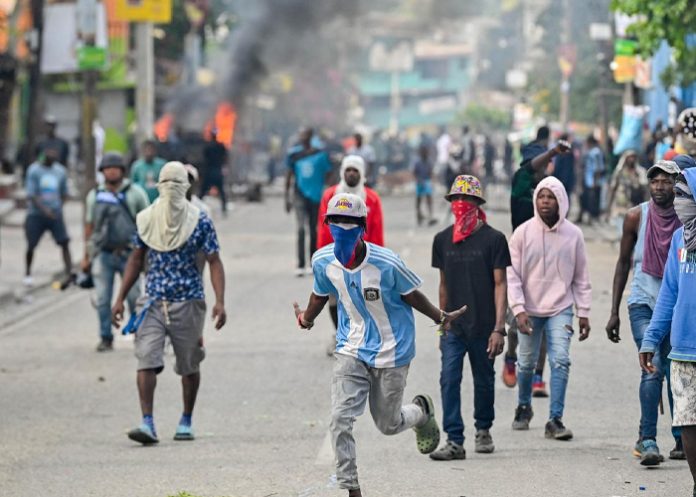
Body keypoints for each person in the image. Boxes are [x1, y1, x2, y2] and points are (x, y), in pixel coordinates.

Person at [293, 192, 467, 497]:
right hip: (351, 348)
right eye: (335, 221)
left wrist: (440, 316)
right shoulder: (322, 261)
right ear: (327, 223)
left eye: (349, 222)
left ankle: (420, 412)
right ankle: (352, 489)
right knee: (339, 418)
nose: (342, 228)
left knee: (387, 424)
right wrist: (306, 318)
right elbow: (320, 294)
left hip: (392, 350)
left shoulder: (386, 263)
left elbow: (411, 295)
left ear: (362, 226)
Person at [111, 161, 227, 444]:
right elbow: (136, 260)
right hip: (151, 301)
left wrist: (219, 301)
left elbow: (214, 261)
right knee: (146, 358)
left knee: (188, 364)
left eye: (178, 185)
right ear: (159, 187)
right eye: (167, 185)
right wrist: (119, 299)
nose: (172, 190)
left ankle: (186, 419)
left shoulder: (200, 221)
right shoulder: (147, 219)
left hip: (188, 301)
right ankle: (147, 422)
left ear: (185, 188)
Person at [605, 160, 683, 465]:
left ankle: (681, 437)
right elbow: (623, 262)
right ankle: (647, 439)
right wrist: (613, 311)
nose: (660, 187)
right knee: (653, 366)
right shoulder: (636, 217)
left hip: (677, 306)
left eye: (666, 182)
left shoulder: (687, 219)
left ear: (678, 185)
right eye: (655, 182)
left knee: (677, 371)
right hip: (644, 302)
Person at [429, 175, 509, 460]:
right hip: (453, 328)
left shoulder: (495, 240)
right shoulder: (442, 241)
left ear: (477, 203)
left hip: (485, 326)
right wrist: (441, 326)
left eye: (467, 200)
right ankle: (454, 440)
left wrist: (499, 328)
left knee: (484, 381)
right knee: (449, 379)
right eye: (457, 200)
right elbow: (443, 285)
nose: (461, 205)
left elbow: (501, 285)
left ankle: (483, 429)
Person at [508, 176, 592, 440]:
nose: (545, 202)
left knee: (561, 361)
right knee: (525, 363)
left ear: (561, 201)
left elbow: (581, 276)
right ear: (536, 201)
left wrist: (585, 312)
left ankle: (555, 419)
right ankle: (524, 406)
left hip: (561, 308)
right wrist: (518, 309)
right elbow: (512, 275)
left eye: (551, 197)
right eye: (541, 196)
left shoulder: (574, 235)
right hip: (529, 310)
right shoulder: (522, 233)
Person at [640, 167, 696, 497]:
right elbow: (669, 295)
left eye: (685, 196)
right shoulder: (680, 239)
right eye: (678, 196)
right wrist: (651, 338)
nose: (679, 202)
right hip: (683, 349)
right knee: (687, 421)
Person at [504, 128, 570, 393]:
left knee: (542, 319)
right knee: (516, 320)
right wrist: (553, 151)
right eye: (542, 161)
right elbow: (531, 166)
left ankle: (537, 376)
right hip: (520, 256)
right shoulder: (521, 180)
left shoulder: (553, 188)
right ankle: (511, 357)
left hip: (548, 258)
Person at [82, 152, 150, 352]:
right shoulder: (95, 195)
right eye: (107, 168)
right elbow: (89, 226)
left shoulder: (135, 193)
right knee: (103, 298)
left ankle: (140, 334)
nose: (111, 171)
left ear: (122, 171)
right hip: (104, 253)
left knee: (134, 296)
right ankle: (105, 336)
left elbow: (146, 223)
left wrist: (147, 254)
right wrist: (86, 255)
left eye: (115, 168)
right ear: (102, 172)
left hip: (131, 253)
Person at [316, 155, 384, 342]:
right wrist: (322, 258)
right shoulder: (330, 196)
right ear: (342, 172)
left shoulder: (372, 198)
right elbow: (323, 229)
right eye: (348, 170)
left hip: (364, 259)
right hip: (335, 258)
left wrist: (377, 259)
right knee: (333, 298)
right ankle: (341, 335)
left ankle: (363, 336)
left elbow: (377, 229)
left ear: (361, 173)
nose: (352, 174)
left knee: (362, 299)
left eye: (355, 170)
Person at [285, 127, 333, 276]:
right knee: (300, 229)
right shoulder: (295, 155)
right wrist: (286, 197)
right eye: (301, 134)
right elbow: (289, 175)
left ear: (310, 136)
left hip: (316, 196)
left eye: (304, 134)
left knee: (313, 229)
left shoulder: (320, 154)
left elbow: (329, 172)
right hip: (299, 195)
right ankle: (300, 264)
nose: (302, 136)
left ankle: (313, 262)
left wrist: (324, 188)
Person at [24, 143, 73, 288]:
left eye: (54, 151)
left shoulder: (60, 171)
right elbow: (32, 195)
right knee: (31, 245)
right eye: (49, 151)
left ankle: (69, 273)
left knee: (64, 242)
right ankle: (27, 273)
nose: (52, 154)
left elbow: (65, 193)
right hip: (36, 214)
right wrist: (45, 211)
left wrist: (58, 207)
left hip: (55, 214)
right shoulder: (34, 170)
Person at [605, 150, 648, 233]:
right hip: (620, 207)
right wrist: (608, 208)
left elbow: (645, 190)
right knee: (622, 233)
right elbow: (613, 189)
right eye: (629, 157)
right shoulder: (619, 172)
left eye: (633, 157)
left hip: (635, 207)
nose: (631, 159)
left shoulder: (640, 172)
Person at [576, 134, 605, 224]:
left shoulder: (595, 152)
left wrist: (594, 181)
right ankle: (583, 216)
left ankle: (590, 218)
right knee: (584, 198)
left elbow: (598, 168)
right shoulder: (592, 151)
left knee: (590, 200)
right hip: (588, 179)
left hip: (591, 180)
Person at [200, 130, 228, 214]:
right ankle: (224, 208)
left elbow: (204, 158)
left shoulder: (207, 146)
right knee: (221, 191)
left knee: (203, 191)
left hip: (209, 171)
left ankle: (196, 206)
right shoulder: (221, 146)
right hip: (217, 171)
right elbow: (225, 157)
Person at [413, 144, 437, 226]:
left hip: (426, 181)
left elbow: (431, 173)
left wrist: (431, 182)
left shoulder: (429, 162)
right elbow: (415, 173)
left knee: (429, 198)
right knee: (419, 199)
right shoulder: (418, 162)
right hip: (420, 182)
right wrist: (419, 180)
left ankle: (430, 215)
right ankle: (419, 214)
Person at [551, 132, 576, 198]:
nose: (571, 141)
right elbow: (567, 169)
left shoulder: (559, 152)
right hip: (565, 183)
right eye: (569, 139)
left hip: (560, 181)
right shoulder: (567, 153)